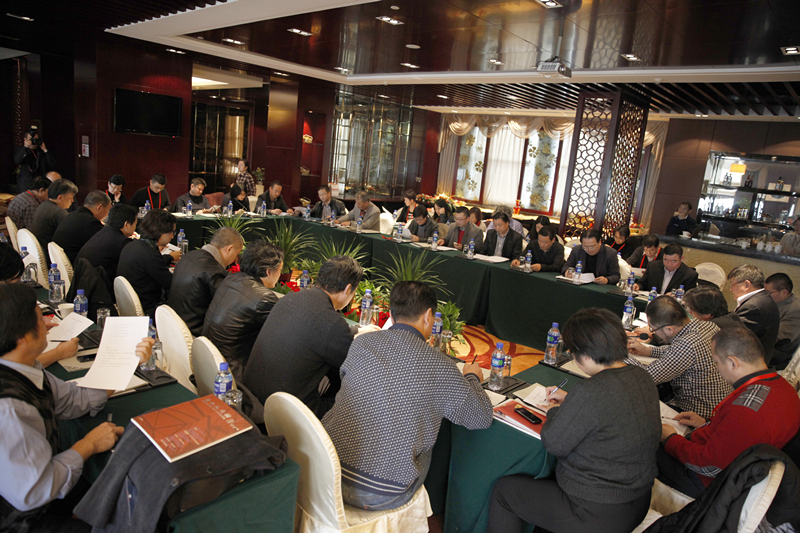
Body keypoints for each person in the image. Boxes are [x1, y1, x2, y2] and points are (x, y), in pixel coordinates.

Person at [322, 281, 493, 511]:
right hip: (381, 493)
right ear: (428, 316)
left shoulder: (362, 343)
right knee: (427, 431)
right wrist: (472, 378)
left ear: (392, 314)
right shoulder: (441, 366)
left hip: (326, 472)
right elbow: (480, 418)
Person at [486, 308, 660, 533]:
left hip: (594, 510)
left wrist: (554, 411)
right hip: (639, 500)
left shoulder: (591, 390)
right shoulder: (642, 376)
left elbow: (554, 442)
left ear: (585, 355)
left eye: (572, 351)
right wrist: (571, 401)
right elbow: (615, 409)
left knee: (505, 492)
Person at [0, 283, 153, 533]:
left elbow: (74, 400)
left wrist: (130, 360)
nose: (48, 325)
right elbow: (36, 491)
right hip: (21, 519)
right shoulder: (8, 409)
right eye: (40, 320)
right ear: (22, 338)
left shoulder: (24, 368)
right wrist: (88, 444)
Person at [657, 327, 800, 498]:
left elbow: (710, 466)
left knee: (643, 447)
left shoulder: (746, 411)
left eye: (717, 362)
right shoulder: (784, 388)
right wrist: (706, 423)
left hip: (705, 481)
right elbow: (737, 436)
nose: (717, 368)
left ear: (733, 363)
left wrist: (670, 439)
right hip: (727, 465)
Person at [243, 256, 363, 418]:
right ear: (348, 289)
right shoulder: (331, 322)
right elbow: (353, 365)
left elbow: (317, 332)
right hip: (288, 413)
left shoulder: (290, 298)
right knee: (354, 402)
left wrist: (353, 331)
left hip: (252, 397)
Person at [626, 296, 732, 418]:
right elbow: (677, 351)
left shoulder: (687, 344)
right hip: (721, 404)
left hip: (697, 412)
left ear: (669, 329)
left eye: (653, 329)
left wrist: (620, 353)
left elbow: (646, 377)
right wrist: (649, 350)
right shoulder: (708, 326)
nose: (653, 332)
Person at [202, 241, 283, 381]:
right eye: (280, 270)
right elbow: (284, 332)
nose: (280, 274)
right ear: (268, 271)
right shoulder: (264, 298)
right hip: (233, 372)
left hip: (208, 360)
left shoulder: (232, 278)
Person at [167, 227, 243, 336]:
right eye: (237, 254)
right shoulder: (215, 271)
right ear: (229, 249)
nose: (235, 260)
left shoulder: (189, 255)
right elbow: (226, 309)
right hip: (193, 332)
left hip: (173, 322)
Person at [117, 210, 179, 318]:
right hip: (150, 308)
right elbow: (171, 283)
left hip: (132, 303)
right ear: (161, 232)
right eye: (172, 232)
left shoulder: (132, 245)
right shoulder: (150, 254)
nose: (172, 237)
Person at [727, 264, 780, 365]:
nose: (731, 289)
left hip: (749, 364)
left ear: (746, 284)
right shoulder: (763, 298)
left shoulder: (752, 306)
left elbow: (734, 339)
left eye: (732, 284)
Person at [75, 204, 138, 281]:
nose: (135, 227)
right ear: (126, 224)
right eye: (135, 224)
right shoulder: (122, 242)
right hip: (99, 284)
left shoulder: (104, 231)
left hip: (83, 279)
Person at [52, 191, 112, 264]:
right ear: (99, 207)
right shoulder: (91, 223)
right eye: (108, 209)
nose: (108, 214)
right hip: (74, 264)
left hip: (59, 262)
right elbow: (106, 244)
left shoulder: (73, 214)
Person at [764, 273, 800, 367]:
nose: (765, 295)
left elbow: (779, 337)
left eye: (769, 293)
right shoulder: (775, 301)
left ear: (784, 292)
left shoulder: (795, 309)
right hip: (767, 344)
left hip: (779, 353)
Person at [31, 179, 78, 251]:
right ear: (60, 197)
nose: (72, 200)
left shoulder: (43, 205)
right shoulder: (59, 213)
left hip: (38, 249)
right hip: (50, 252)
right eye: (71, 196)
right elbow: (72, 237)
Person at [633, 243, 698, 294]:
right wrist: (638, 285)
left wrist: (675, 295)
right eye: (666, 260)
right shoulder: (653, 266)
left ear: (682, 258)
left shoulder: (690, 275)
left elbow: (690, 297)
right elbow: (642, 283)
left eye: (674, 261)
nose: (669, 264)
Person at [13, 127, 56, 192]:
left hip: (40, 183)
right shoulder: (21, 150)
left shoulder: (41, 152)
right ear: (25, 139)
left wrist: (45, 150)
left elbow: (52, 164)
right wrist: (25, 148)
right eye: (31, 139)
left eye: (36, 139)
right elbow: (17, 161)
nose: (34, 141)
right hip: (25, 184)